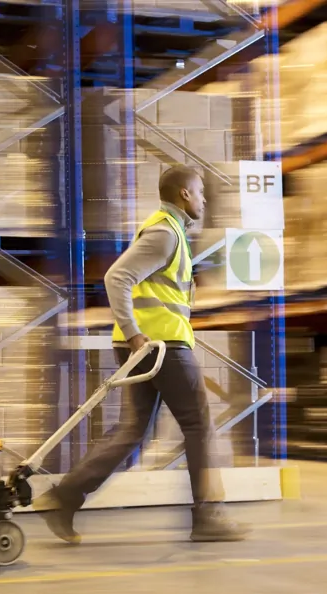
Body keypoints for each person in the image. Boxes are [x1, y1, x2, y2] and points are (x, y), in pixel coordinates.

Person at [40, 165, 248, 544]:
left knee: (134, 430)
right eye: (200, 192)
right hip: (160, 346)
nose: (204, 198)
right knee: (199, 424)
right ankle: (208, 515)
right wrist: (135, 333)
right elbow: (117, 277)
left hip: (152, 345)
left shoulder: (173, 233)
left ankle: (66, 495)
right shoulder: (165, 234)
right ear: (184, 193)